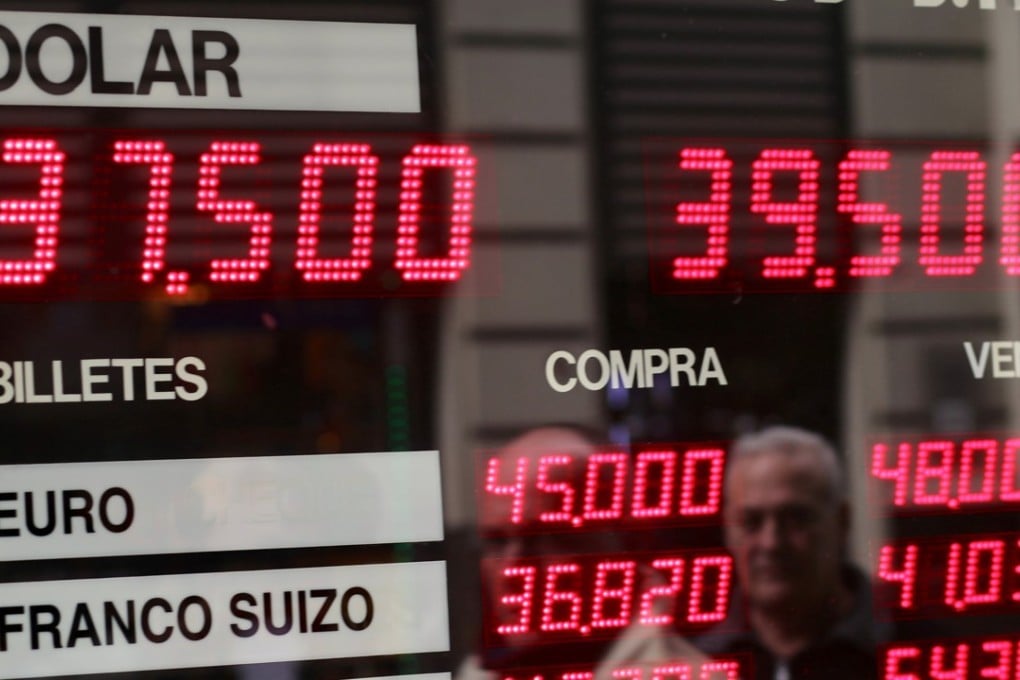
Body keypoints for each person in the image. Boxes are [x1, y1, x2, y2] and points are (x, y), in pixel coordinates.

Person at [696, 426, 890, 680]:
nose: (772, 542)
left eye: (797, 519)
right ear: (727, 530)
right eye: (751, 522)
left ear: (842, 522)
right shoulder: (694, 663)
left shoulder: (916, 652)